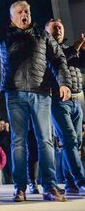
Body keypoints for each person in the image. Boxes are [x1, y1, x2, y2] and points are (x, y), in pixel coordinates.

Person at [0, 0, 72, 202]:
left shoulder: (43, 36)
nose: (25, 14)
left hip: (41, 93)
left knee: (45, 141)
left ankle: (49, 186)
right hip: (14, 93)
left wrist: (64, 82)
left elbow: (59, 60)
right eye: (20, 11)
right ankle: (20, 187)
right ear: (12, 17)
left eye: (28, 11)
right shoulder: (3, 32)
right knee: (18, 141)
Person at [45, 18, 85, 195]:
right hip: (59, 100)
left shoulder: (71, 49)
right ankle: (81, 180)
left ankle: (70, 183)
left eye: (60, 27)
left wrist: (82, 50)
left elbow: (80, 65)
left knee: (75, 144)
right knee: (69, 140)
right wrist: (76, 48)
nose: (58, 30)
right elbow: (58, 63)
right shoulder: (46, 48)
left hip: (77, 100)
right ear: (47, 31)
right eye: (54, 28)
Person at [0, 119, 11, 184]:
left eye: (3, 124)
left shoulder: (7, 132)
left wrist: (7, 130)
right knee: (3, 170)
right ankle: (5, 183)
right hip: (0, 155)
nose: (2, 125)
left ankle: (11, 182)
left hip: (8, 153)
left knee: (10, 168)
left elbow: (9, 140)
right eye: (1, 124)